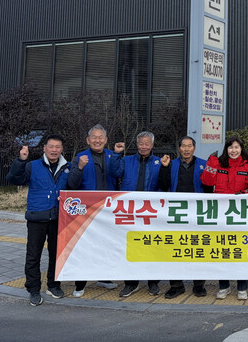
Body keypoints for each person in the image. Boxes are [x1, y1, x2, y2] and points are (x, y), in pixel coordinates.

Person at [6, 134, 82, 306]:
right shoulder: (32, 165)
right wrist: (21, 160)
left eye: (58, 147)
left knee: (57, 254)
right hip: (37, 217)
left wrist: (79, 170)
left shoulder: (68, 167)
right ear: (44, 148)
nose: (54, 150)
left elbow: (74, 187)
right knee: (33, 255)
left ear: (62, 149)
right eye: (51, 146)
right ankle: (33, 289)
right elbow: (14, 179)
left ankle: (54, 285)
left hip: (59, 218)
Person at [201, 135, 248, 300]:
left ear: (241, 149)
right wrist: (212, 162)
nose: (233, 150)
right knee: (223, 251)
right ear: (226, 149)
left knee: (241, 251)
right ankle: (224, 286)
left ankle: (242, 287)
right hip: (221, 215)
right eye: (230, 147)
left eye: (236, 147)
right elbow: (207, 182)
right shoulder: (218, 164)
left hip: (240, 214)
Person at [70, 124, 121, 297]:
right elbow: (72, 185)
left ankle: (104, 278)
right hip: (87, 210)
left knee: (106, 245)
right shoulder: (80, 157)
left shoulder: (113, 156)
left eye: (100, 137)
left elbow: (119, 178)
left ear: (106, 140)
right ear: (88, 140)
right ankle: (80, 284)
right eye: (94, 137)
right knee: (84, 246)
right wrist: (79, 167)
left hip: (108, 209)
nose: (97, 140)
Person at [110, 131, 162, 298]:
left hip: (151, 212)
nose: (144, 146)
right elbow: (114, 173)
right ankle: (131, 283)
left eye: (147, 143)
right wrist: (116, 154)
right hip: (130, 211)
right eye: (141, 143)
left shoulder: (159, 162)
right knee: (130, 246)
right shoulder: (126, 160)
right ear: (137, 144)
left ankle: (153, 282)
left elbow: (164, 184)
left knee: (152, 246)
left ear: (152, 145)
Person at [158, 136, 207, 299]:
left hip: (197, 213)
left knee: (197, 248)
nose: (186, 149)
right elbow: (163, 186)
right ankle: (176, 285)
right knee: (175, 249)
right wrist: (164, 168)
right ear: (179, 148)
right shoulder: (171, 164)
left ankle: (199, 285)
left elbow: (209, 189)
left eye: (189, 146)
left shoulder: (204, 164)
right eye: (183, 146)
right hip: (176, 213)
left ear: (194, 148)